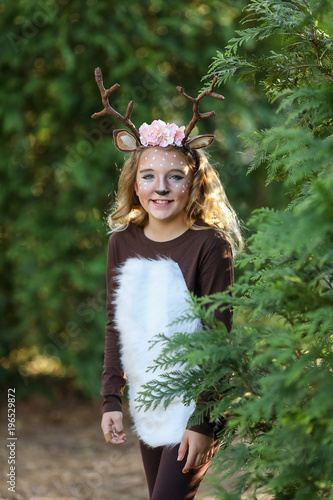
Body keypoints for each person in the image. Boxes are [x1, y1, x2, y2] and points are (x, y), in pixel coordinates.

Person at [92, 68, 243, 500]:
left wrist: (203, 421)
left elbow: (219, 341)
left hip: (193, 404)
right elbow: (115, 325)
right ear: (133, 183)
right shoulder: (122, 242)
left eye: (175, 176)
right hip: (147, 397)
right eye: (148, 176)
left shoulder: (209, 245)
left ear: (193, 181)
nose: (161, 188)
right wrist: (110, 400)